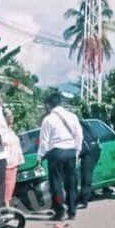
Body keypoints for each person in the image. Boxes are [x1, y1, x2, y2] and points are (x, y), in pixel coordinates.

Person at [36, 92, 83, 220]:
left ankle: (60, 211)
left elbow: (44, 141)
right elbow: (79, 135)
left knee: (56, 183)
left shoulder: (48, 119)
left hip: (55, 153)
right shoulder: (72, 116)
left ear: (49, 105)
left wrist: (39, 157)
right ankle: (72, 211)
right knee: (71, 183)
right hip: (70, 152)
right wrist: (77, 152)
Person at [77, 118, 101, 209]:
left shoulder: (75, 124)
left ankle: (84, 199)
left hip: (89, 149)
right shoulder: (82, 123)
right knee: (86, 174)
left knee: (86, 174)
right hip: (93, 148)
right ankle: (86, 195)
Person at [2, 107, 25, 206]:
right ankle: (5, 207)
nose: (12, 118)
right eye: (9, 116)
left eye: (12, 115)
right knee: (6, 188)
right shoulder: (1, 131)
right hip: (7, 163)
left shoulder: (11, 130)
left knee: (10, 187)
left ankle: (7, 206)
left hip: (14, 162)